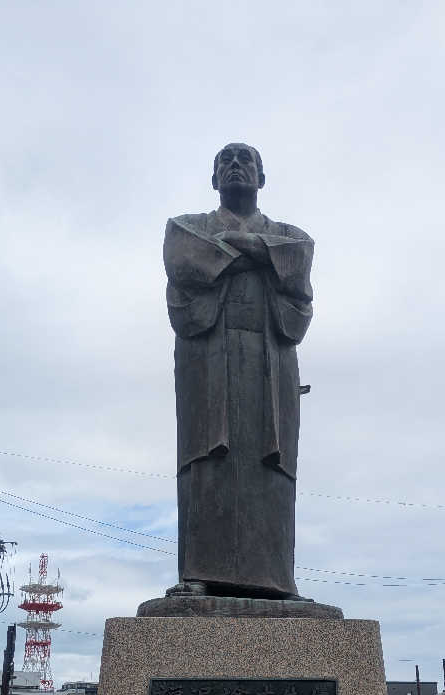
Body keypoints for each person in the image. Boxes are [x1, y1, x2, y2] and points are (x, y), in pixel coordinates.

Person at [163, 143, 314, 599]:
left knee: (272, 463)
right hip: (207, 358)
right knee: (208, 457)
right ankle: (200, 571)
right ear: (214, 180)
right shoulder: (188, 228)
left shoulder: (289, 233)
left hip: (272, 362)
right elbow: (186, 258)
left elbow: (299, 260)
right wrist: (265, 255)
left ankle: (274, 580)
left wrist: (237, 250)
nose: (234, 166)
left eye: (245, 160)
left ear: (261, 178)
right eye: (224, 161)